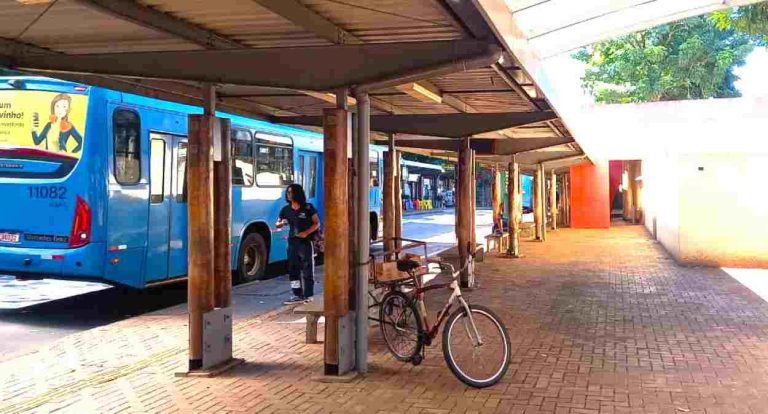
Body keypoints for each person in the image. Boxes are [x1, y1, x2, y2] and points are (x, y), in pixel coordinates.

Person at [276, 184, 320, 304]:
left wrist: (306, 233)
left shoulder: (308, 208)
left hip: (305, 242)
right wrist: (281, 223)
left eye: (291, 192)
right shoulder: (286, 209)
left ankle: (308, 295)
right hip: (292, 242)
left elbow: (316, 223)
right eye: (288, 192)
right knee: (293, 269)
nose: (288, 195)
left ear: (297, 193)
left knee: (307, 269)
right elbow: (278, 223)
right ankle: (297, 294)